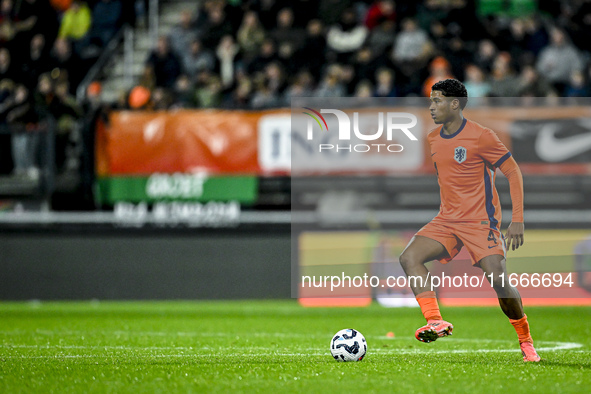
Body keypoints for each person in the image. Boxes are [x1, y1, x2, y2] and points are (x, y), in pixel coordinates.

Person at [399, 79, 541, 362]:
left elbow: (513, 172)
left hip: (480, 223)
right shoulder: (433, 138)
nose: (431, 107)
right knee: (409, 257)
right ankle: (435, 321)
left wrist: (518, 219)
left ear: (455, 104)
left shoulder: (482, 136)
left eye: (437, 100)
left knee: (499, 281)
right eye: (430, 100)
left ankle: (526, 342)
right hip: (447, 220)